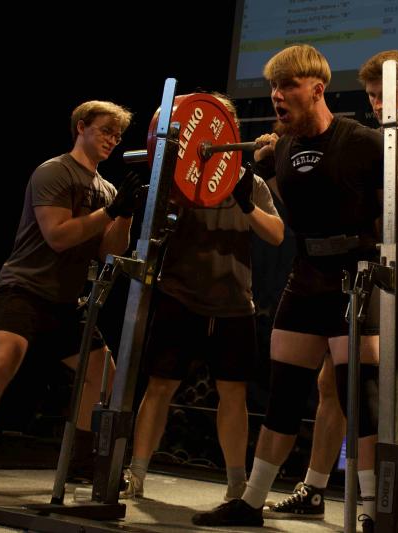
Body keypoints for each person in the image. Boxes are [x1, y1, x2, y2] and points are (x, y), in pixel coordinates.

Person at [190, 44, 398, 528]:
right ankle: (251, 502)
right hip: (306, 277)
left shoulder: (362, 141)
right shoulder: (283, 147)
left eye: (288, 86)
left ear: (317, 89)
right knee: (282, 395)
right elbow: (297, 208)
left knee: (361, 399)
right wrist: (260, 174)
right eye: (273, 87)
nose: (276, 96)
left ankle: (374, 513)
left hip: (357, 277)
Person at [264, 49, 398, 533]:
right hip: (368, 281)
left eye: (386, 95)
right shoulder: (368, 144)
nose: (378, 105)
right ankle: (314, 488)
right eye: (372, 96)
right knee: (333, 387)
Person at [0, 100, 142, 496]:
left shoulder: (107, 190)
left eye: (117, 136)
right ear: (81, 127)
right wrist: (109, 213)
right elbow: (58, 236)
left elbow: (110, 252)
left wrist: (126, 214)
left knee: (102, 373)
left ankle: (80, 465)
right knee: (5, 357)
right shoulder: (54, 171)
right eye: (105, 130)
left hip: (66, 302)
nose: (112, 140)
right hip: (25, 289)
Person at [119, 93, 284, 501]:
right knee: (160, 387)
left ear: (231, 132)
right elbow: (153, 226)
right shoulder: (179, 178)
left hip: (234, 304)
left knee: (234, 394)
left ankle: (236, 486)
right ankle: (135, 475)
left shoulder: (251, 183)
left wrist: (247, 205)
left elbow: (277, 235)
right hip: (180, 296)